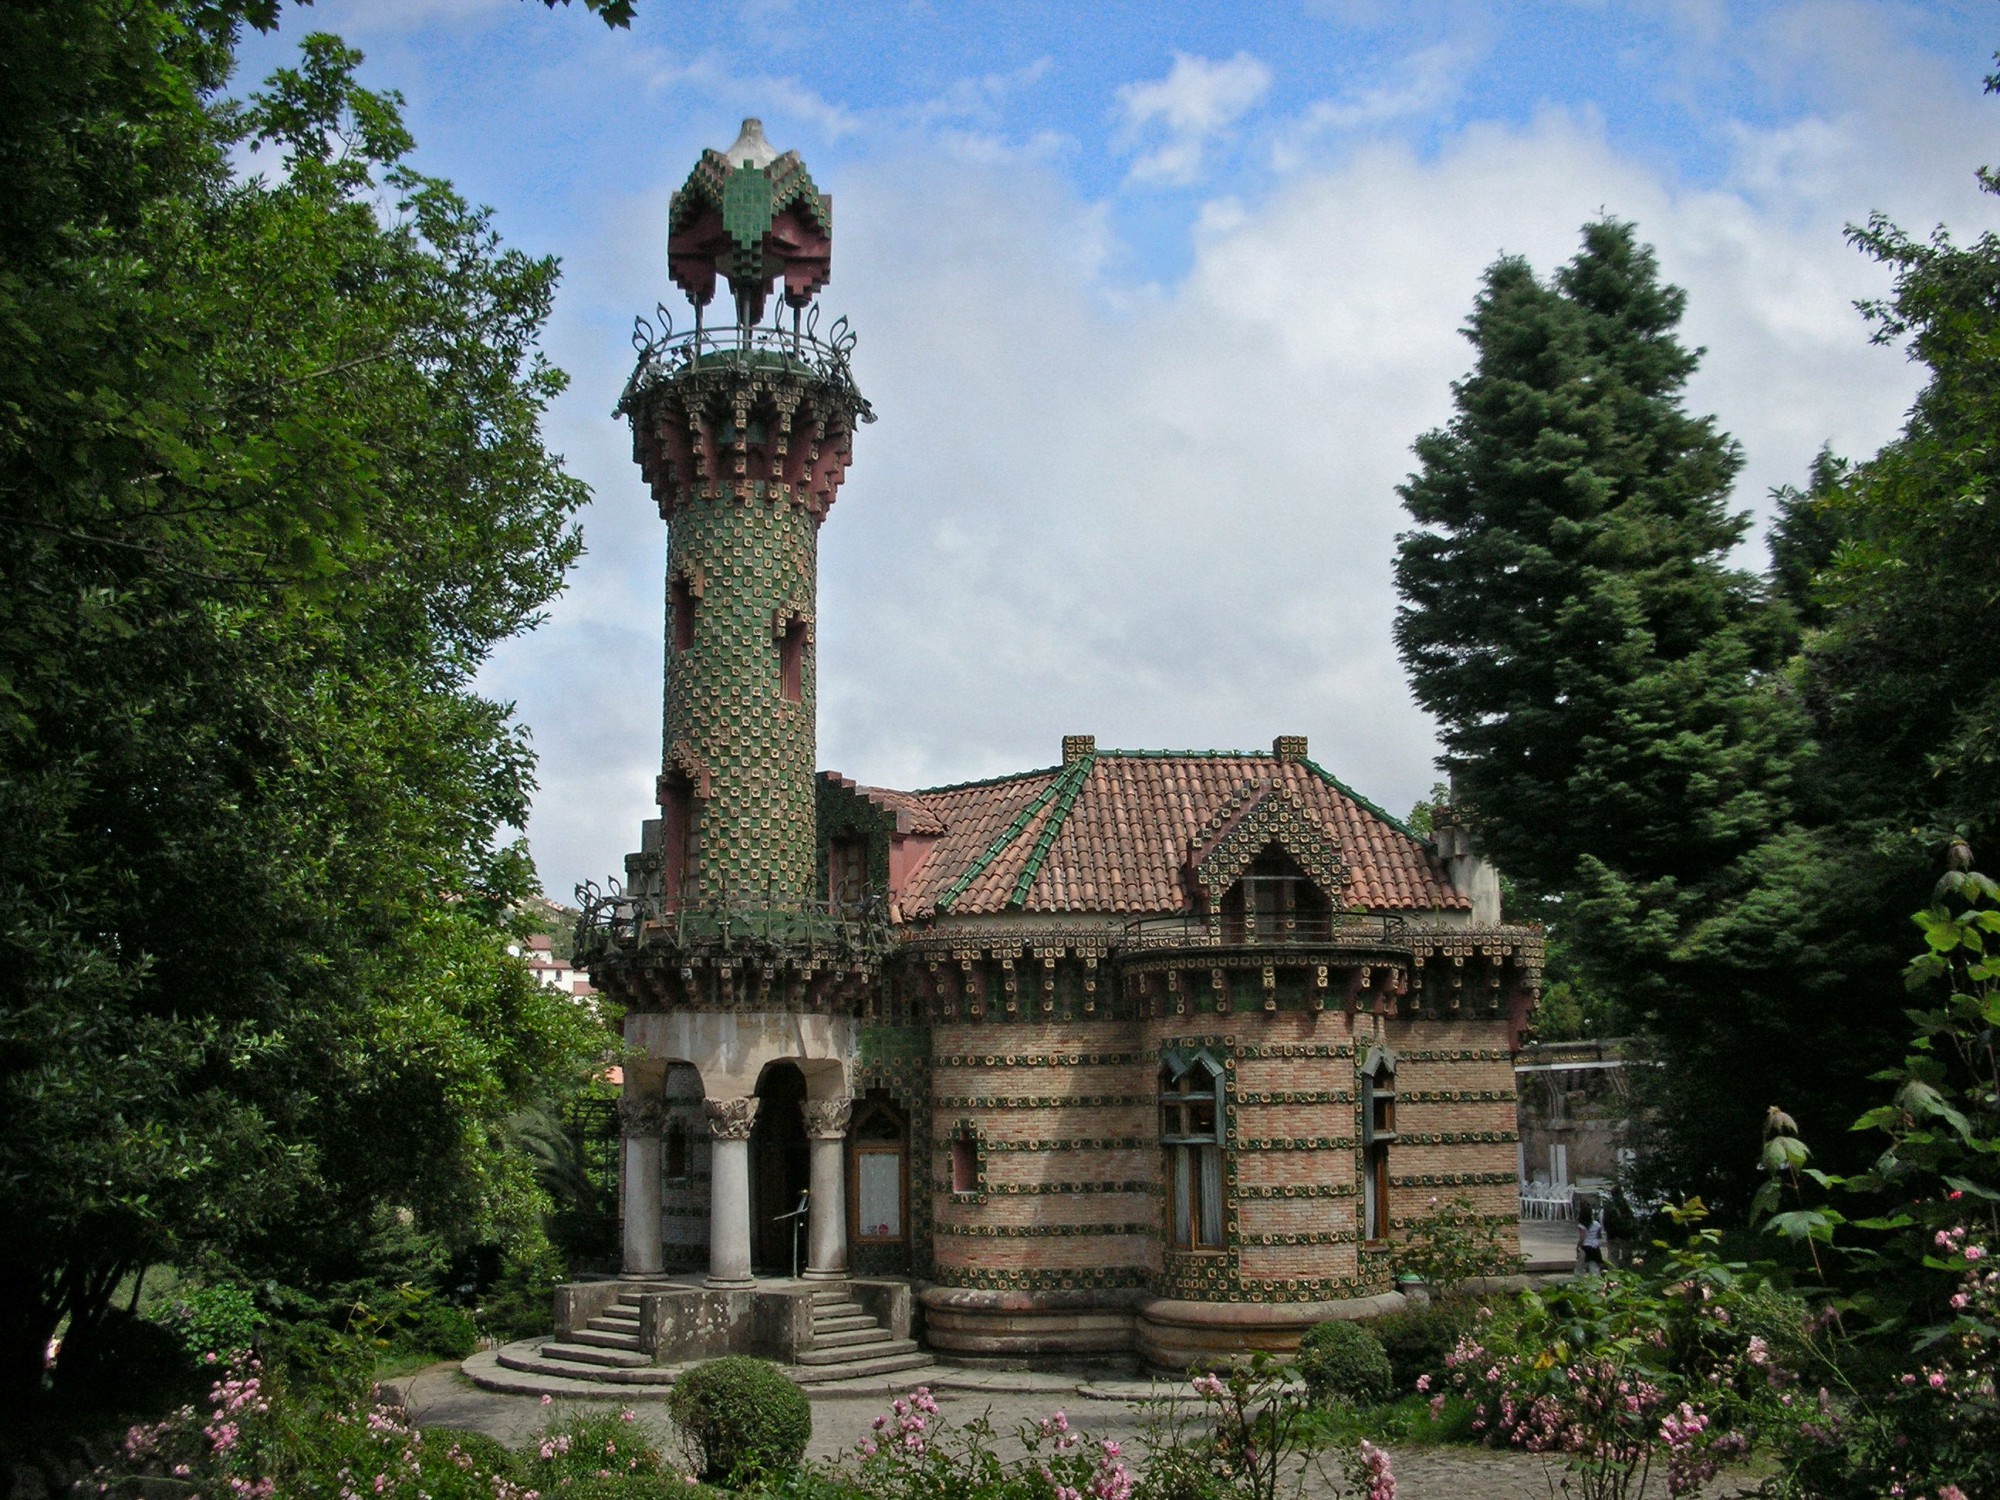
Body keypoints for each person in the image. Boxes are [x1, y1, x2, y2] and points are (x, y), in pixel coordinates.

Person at [1576, 1199, 1604, 1274]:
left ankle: (1578, 1282)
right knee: (1594, 1268)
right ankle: (1597, 1282)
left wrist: (1578, 1246)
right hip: (1595, 1247)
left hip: (1585, 1247)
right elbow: (1599, 1236)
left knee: (1580, 1267)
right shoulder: (1597, 1224)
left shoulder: (1581, 1225)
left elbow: (1582, 1237)